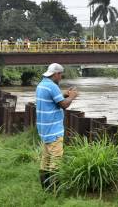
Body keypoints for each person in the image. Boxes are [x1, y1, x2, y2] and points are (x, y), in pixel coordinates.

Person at [36, 63, 78, 191]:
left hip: (44, 130)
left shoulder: (42, 85)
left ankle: (46, 189)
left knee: (45, 161)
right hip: (54, 130)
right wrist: (72, 96)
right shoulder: (52, 87)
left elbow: (55, 99)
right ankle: (56, 190)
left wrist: (64, 94)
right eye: (61, 75)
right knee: (56, 161)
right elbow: (64, 105)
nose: (61, 78)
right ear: (56, 74)